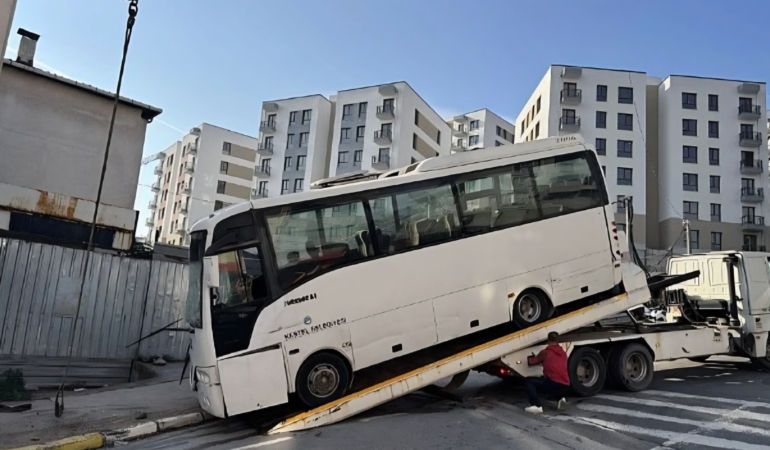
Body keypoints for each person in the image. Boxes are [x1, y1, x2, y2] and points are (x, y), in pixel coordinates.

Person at [524, 331, 570, 414]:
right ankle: (561, 399)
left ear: (548, 340)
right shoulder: (563, 353)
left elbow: (532, 361)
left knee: (529, 381)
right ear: (558, 340)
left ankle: (536, 405)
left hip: (553, 385)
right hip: (566, 386)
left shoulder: (545, 352)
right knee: (554, 379)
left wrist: (529, 358)